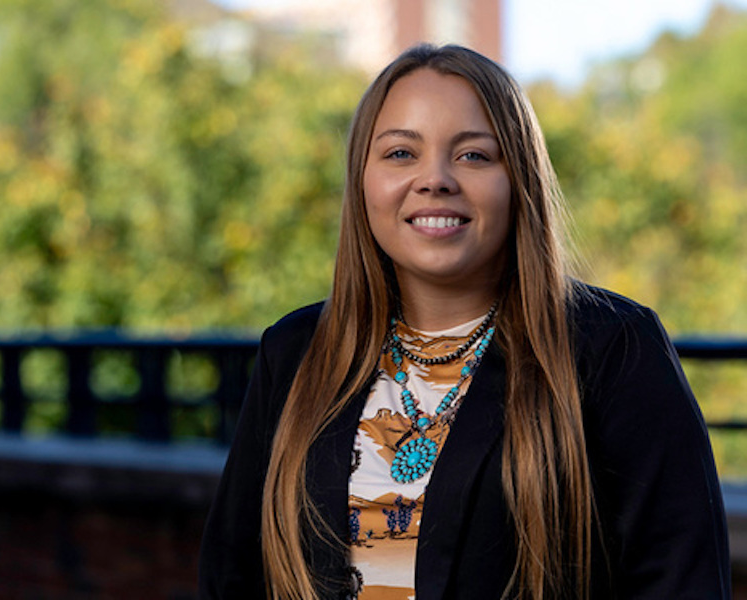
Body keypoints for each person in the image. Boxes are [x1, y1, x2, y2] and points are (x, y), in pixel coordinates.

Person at [198, 44, 730, 600]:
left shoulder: (613, 349)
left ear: (519, 178)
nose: (435, 179)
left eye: (474, 155)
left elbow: (680, 581)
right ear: (362, 180)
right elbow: (231, 578)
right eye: (401, 153)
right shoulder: (295, 352)